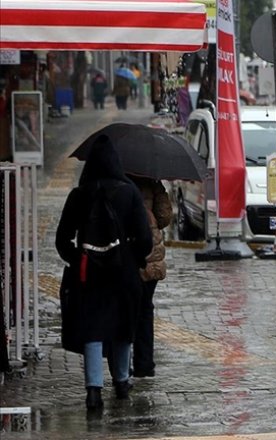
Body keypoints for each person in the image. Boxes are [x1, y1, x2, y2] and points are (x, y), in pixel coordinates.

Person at [56, 136, 153, 410]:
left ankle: (93, 391)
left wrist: (79, 260)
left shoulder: (79, 195)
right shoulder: (130, 192)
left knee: (93, 329)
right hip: (123, 274)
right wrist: (131, 257)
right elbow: (145, 239)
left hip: (88, 275)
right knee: (122, 326)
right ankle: (122, 382)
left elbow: (62, 240)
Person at [128, 175, 173, 378]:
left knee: (125, 309)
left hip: (126, 253)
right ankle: (144, 363)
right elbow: (165, 217)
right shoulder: (152, 183)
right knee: (145, 309)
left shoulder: (119, 181)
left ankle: (121, 365)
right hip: (150, 254)